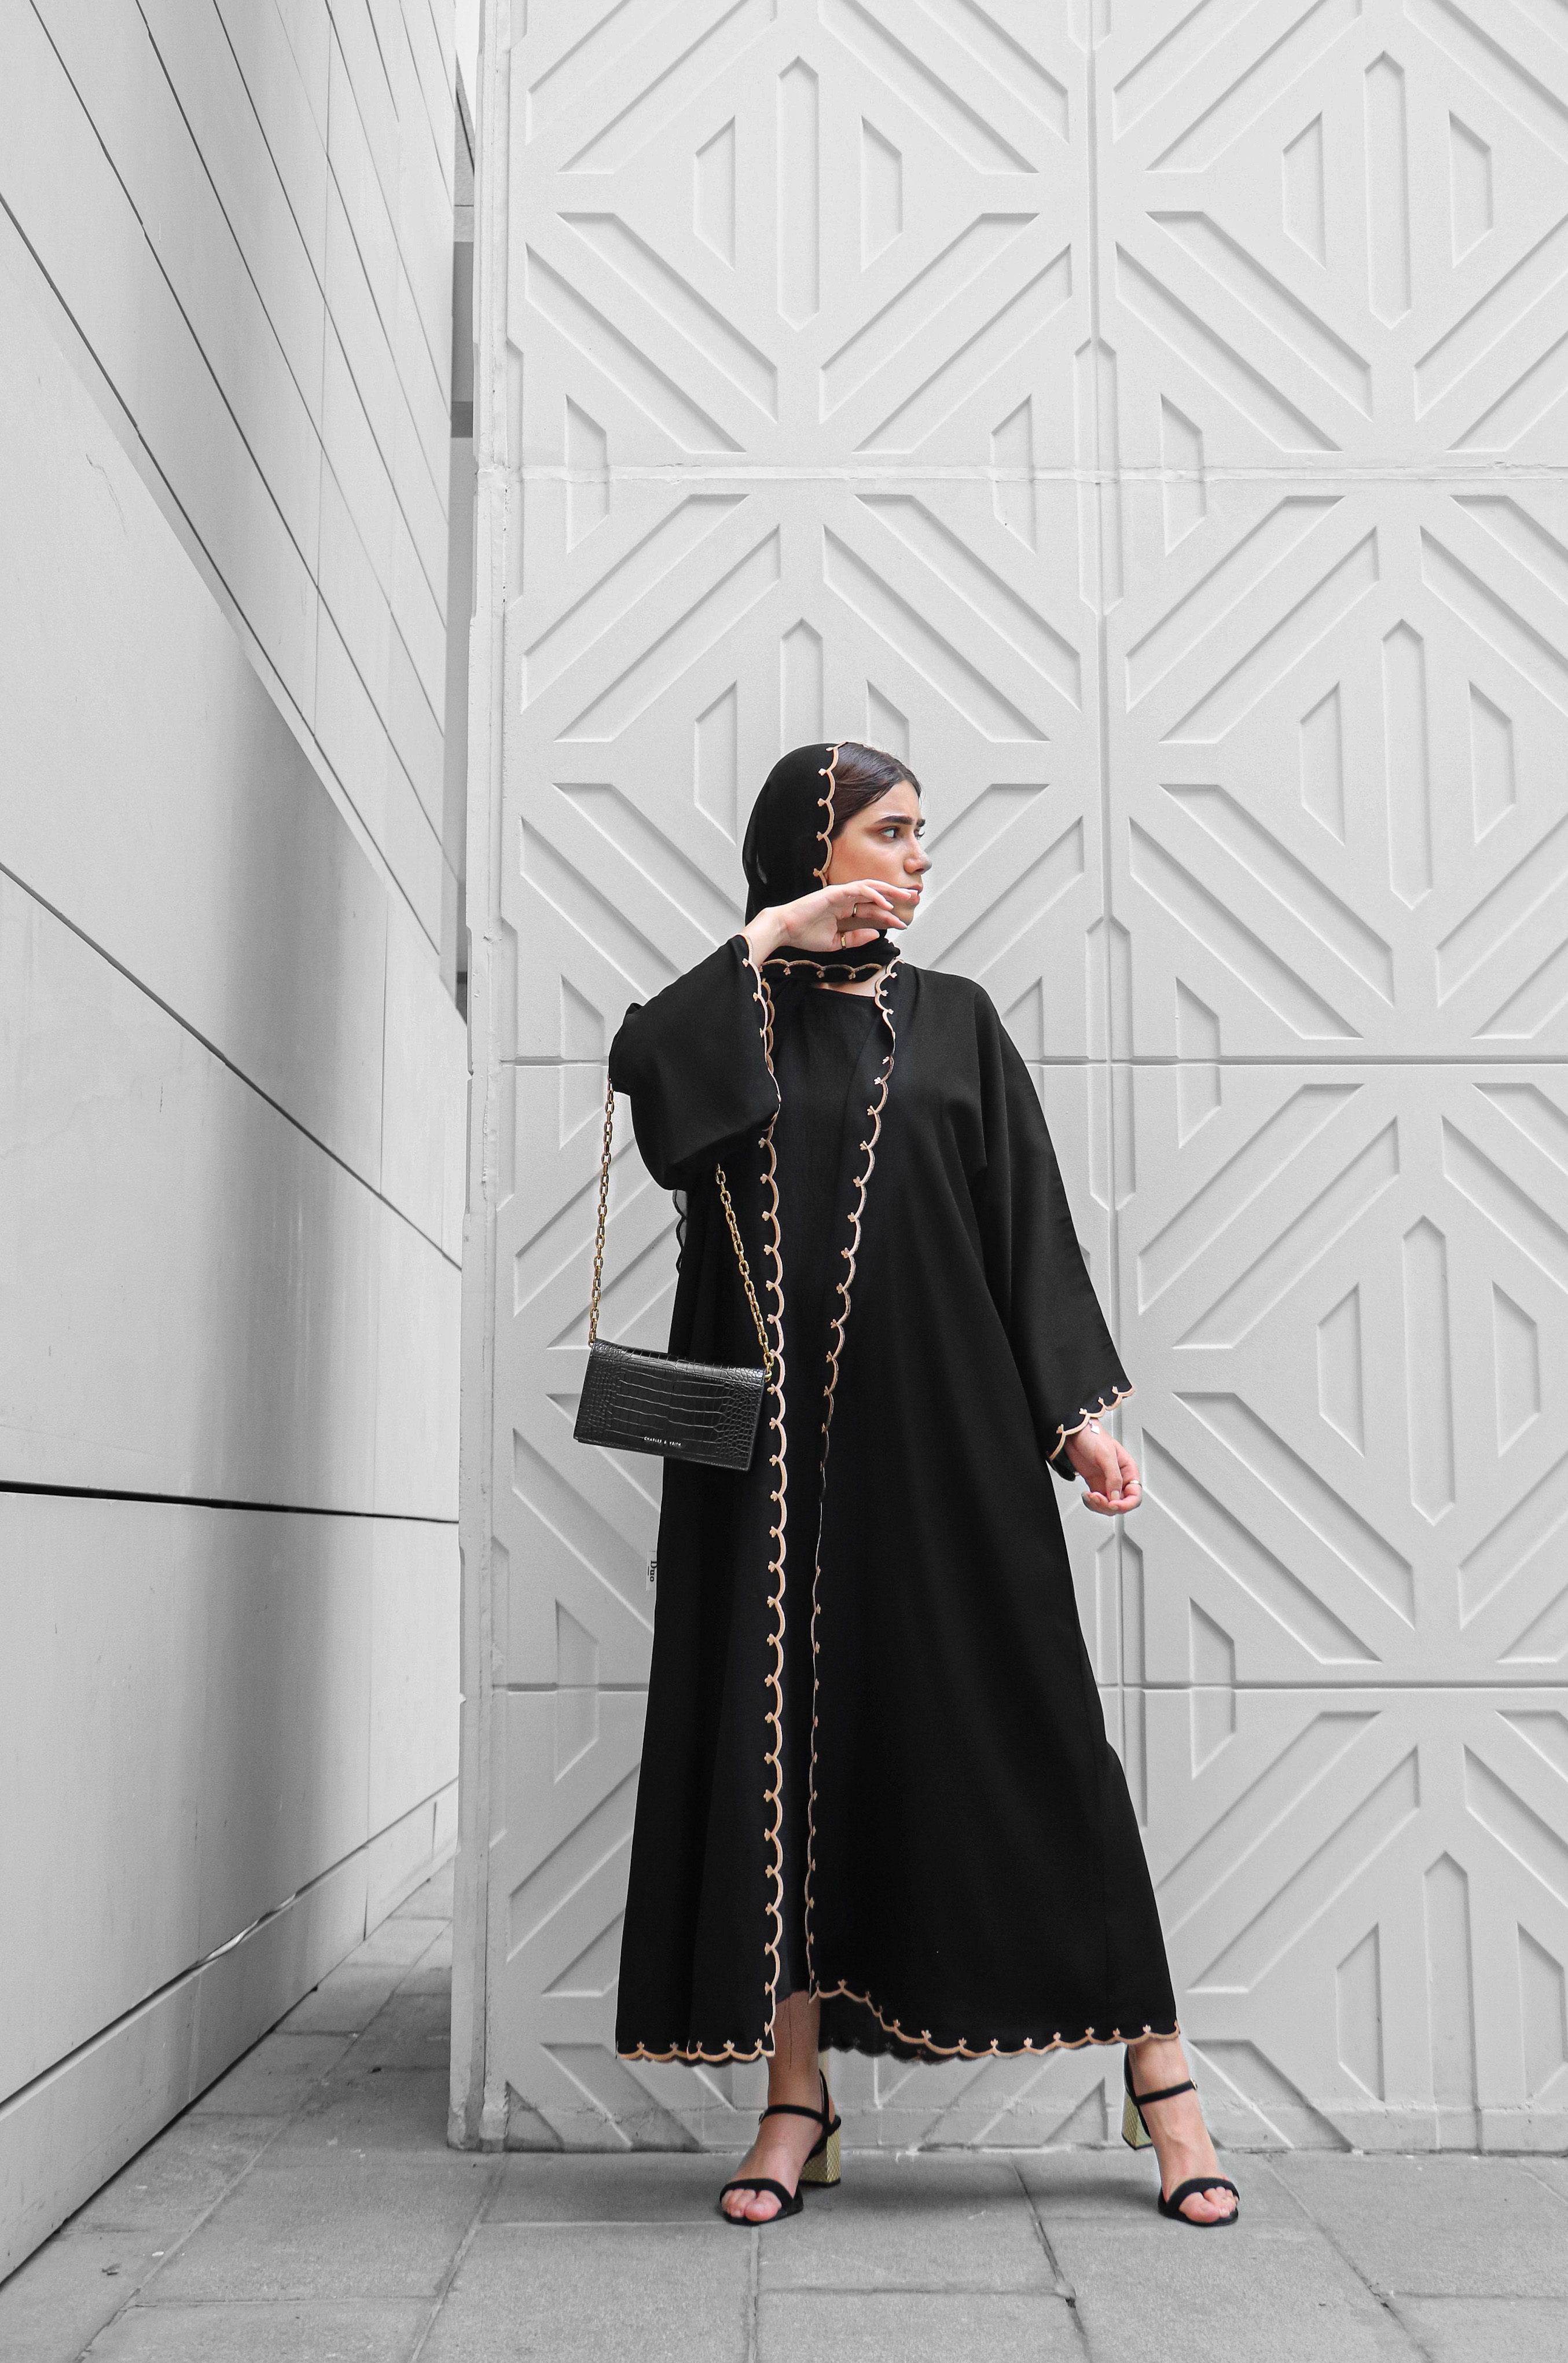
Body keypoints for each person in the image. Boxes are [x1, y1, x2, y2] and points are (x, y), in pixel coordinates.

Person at [601, 742, 1240, 2229]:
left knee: (1035, 1736)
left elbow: (1023, 1221)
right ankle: (793, 2100)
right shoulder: (731, 1014)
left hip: (946, 1442)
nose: (915, 859)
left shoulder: (955, 1019)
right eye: (888, 832)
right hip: (767, 1469)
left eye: (920, 836)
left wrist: (1075, 1418)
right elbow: (652, 1086)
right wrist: (772, 934)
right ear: (809, 844)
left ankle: (1162, 2082)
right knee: (783, 1750)